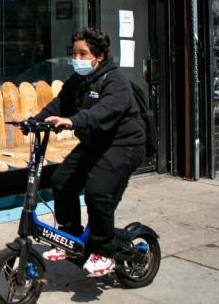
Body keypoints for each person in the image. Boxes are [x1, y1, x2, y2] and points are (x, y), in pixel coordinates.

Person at [30, 27, 145, 276]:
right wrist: (34, 121)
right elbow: (59, 104)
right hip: (95, 143)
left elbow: (104, 112)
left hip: (124, 145)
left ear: (99, 56)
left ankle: (104, 252)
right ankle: (70, 237)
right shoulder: (78, 81)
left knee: (98, 191)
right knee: (61, 182)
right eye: (74, 53)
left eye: (83, 54)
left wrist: (74, 121)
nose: (77, 59)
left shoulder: (115, 81)